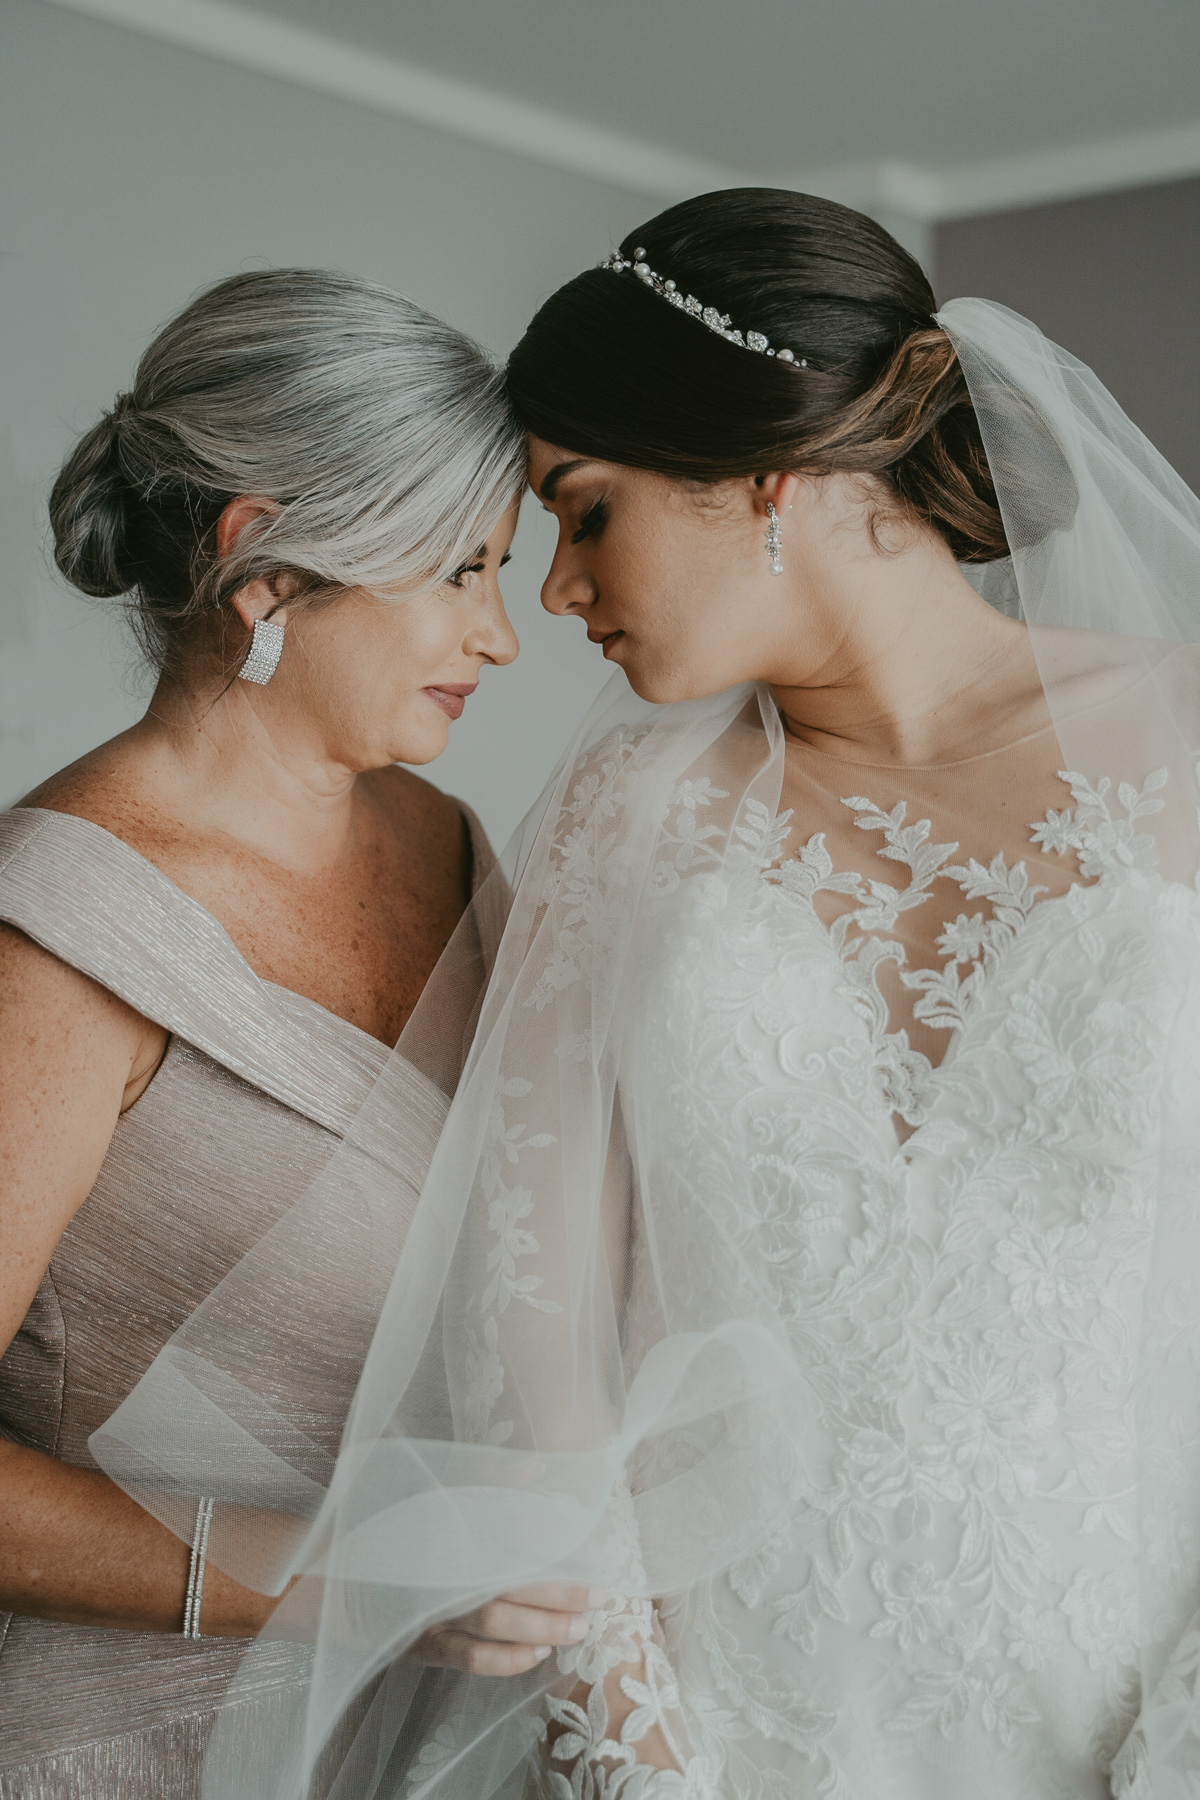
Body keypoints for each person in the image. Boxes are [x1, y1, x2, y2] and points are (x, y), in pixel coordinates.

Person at [92, 195, 1200, 1800]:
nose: (552, 595)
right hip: (727, 1723)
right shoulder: (633, 813)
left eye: (583, 511)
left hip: (1127, 1704)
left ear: (763, 466)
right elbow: (529, 1319)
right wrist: (633, 1742)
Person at [0, 267, 595, 1798]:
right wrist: (347, 1579)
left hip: (443, 1732)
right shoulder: (53, 935)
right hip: (153, 1741)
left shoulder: (456, 846)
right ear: (264, 566)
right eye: (460, 572)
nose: (503, 634)